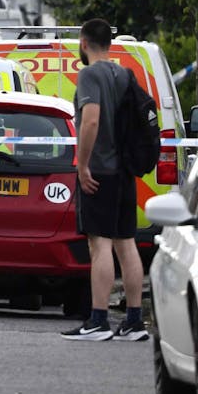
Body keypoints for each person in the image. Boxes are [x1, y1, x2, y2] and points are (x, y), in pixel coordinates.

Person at [62, 19, 147, 342]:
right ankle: (135, 321)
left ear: (84, 43)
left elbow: (91, 121)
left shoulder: (89, 75)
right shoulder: (124, 73)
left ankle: (98, 320)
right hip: (124, 172)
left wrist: (82, 166)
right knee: (126, 243)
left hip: (100, 171)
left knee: (99, 245)